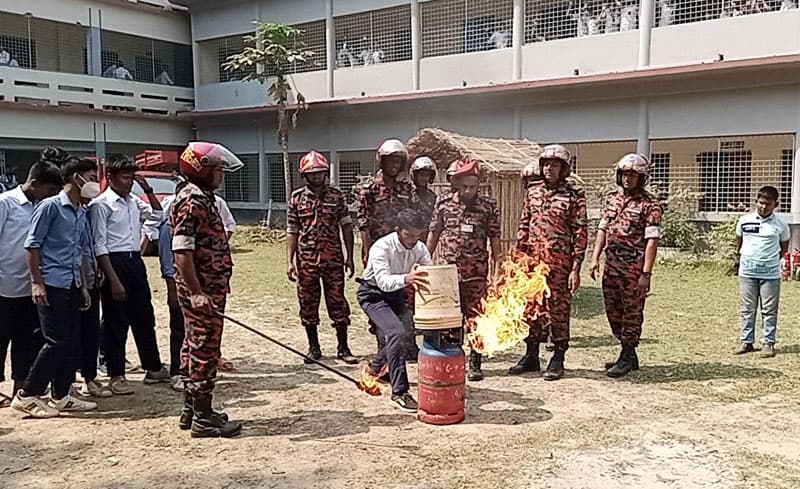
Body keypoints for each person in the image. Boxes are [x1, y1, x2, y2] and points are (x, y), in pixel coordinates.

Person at [10, 156, 101, 417]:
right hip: (52, 283)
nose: (95, 184)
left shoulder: (81, 211)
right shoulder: (50, 207)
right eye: (92, 178)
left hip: (71, 282)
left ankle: (61, 395)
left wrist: (82, 286)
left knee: (70, 340)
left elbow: (78, 251)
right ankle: (28, 394)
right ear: (77, 178)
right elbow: (32, 245)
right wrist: (37, 282)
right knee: (55, 340)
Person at [171, 141, 244, 438]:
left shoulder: (204, 197)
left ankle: (192, 409)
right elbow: (182, 252)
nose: (221, 174)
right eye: (217, 169)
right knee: (204, 349)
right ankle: (203, 419)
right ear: (201, 170)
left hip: (208, 287)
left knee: (192, 346)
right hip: (201, 290)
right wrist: (197, 292)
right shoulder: (192, 201)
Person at [90, 154, 169, 396]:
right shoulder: (101, 204)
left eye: (132, 178)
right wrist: (113, 279)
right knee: (116, 320)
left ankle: (153, 367)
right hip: (114, 261)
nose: (129, 182)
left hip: (135, 260)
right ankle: (116, 374)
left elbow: (158, 215)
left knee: (144, 316)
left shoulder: (133, 201)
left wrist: (148, 190)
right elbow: (99, 244)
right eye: (125, 177)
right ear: (110, 177)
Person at [511, 144, 587, 381]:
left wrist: (576, 268)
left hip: (559, 265)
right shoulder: (533, 192)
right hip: (533, 264)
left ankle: (558, 357)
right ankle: (531, 354)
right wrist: (519, 259)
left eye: (554, 165)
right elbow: (524, 226)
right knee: (531, 309)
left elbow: (580, 232)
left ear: (563, 169)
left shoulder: (574, 195)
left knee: (558, 310)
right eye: (545, 164)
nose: (549, 169)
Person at [427, 160, 501, 381]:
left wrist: (498, 268)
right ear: (457, 184)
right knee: (450, 319)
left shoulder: (488, 207)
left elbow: (495, 239)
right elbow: (434, 234)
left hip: (476, 273)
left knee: (477, 318)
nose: (469, 191)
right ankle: (453, 360)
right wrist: (424, 261)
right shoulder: (443, 205)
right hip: (449, 274)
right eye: (465, 186)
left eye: (473, 187)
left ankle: (475, 362)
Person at [589, 154, 662, 377]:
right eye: (624, 174)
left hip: (632, 270)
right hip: (611, 267)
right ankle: (629, 355)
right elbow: (602, 229)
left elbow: (652, 241)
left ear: (642, 178)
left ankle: (627, 354)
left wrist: (646, 274)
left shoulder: (650, 206)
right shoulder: (612, 199)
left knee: (632, 312)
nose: (627, 179)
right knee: (613, 311)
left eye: (632, 175)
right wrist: (594, 258)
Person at [0, 155, 64, 406]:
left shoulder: (42, 207)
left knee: (25, 339)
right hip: (4, 285)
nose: (51, 196)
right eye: (49, 190)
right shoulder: (6, 203)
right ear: (35, 183)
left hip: (30, 286)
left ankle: (21, 386)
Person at [357, 209, 431, 412]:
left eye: (418, 235)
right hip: (374, 295)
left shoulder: (420, 247)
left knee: (404, 333)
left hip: (397, 294)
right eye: (409, 235)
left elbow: (429, 271)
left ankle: (376, 368)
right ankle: (400, 392)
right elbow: (383, 282)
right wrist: (408, 278)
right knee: (396, 333)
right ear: (399, 230)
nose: (414, 240)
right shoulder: (381, 247)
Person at [286, 151, 357, 364]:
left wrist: (350, 256)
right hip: (306, 261)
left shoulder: (337, 196)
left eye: (320, 172)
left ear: (325, 173)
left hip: (333, 260)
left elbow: (346, 226)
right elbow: (292, 231)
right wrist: (289, 261)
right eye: (312, 173)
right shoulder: (296, 198)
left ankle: (343, 348)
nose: (316, 176)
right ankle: (314, 348)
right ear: (304, 175)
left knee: (338, 303)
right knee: (308, 303)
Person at [357, 139, 414, 373]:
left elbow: (411, 219)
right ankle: (384, 359)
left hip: (401, 254)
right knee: (380, 309)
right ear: (382, 161)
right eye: (391, 161)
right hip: (379, 255)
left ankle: (386, 360)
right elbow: (363, 223)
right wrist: (367, 252)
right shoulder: (369, 190)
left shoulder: (406, 189)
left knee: (399, 304)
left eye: (399, 161)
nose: (395, 165)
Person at [733, 186, 790, 358]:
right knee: (747, 309)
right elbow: (739, 242)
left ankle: (768, 343)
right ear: (756, 202)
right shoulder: (744, 221)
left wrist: (770, 261)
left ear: (775, 205)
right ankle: (746, 341)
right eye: (761, 202)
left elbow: (783, 247)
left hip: (770, 275)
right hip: (747, 273)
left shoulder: (781, 225)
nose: (764, 207)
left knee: (769, 310)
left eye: (768, 204)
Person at [409, 156, 438, 227]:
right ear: (415, 175)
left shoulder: (433, 197)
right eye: (421, 174)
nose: (424, 178)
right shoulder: (407, 194)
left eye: (427, 175)